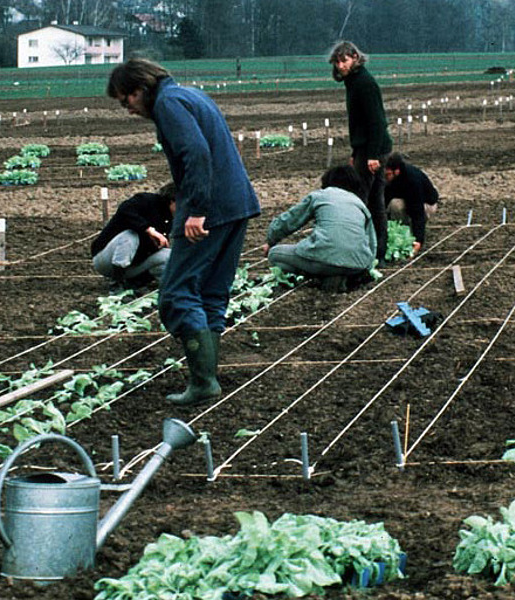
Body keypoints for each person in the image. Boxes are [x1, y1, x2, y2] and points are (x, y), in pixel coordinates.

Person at [107, 57, 260, 406]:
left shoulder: (169, 104)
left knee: (176, 294)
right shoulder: (190, 95)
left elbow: (196, 155)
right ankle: (207, 378)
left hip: (210, 211)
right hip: (236, 204)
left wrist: (197, 211)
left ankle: (203, 381)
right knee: (211, 291)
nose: (127, 109)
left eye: (125, 99)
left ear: (141, 89)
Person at [261, 165, 375, 291]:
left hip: (323, 259)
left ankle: (324, 275)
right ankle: (343, 276)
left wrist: (270, 241)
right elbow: (371, 241)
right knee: (338, 259)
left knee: (275, 254)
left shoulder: (320, 196)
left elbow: (290, 220)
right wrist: (366, 266)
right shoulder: (359, 203)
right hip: (356, 265)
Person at [329, 40, 392, 264]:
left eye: (344, 60)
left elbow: (377, 122)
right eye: (337, 61)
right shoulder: (353, 82)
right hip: (365, 148)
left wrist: (372, 155)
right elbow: (360, 123)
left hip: (373, 149)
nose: (340, 65)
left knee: (360, 201)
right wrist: (356, 152)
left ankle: (361, 252)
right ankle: (378, 252)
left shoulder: (364, 83)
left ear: (355, 57)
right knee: (374, 201)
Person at [91, 183, 176, 288]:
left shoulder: (169, 218)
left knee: (169, 255)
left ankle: (137, 282)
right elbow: (125, 210)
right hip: (105, 259)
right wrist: (149, 230)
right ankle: (116, 284)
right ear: (172, 200)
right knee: (130, 236)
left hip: (133, 265)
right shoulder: (146, 200)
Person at [384, 152, 440, 254]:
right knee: (393, 205)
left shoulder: (412, 180)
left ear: (396, 171)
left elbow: (417, 212)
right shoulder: (390, 178)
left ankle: (406, 235)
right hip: (405, 199)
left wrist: (418, 240)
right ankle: (400, 233)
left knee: (396, 206)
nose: (385, 178)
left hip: (426, 204)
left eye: (387, 174)